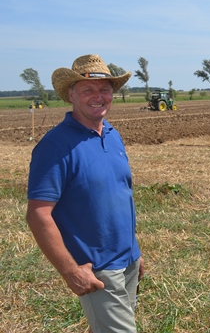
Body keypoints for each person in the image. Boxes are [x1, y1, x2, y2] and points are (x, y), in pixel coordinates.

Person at [26, 54, 144, 332]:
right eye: (88, 89)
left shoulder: (112, 135)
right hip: (97, 269)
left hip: (127, 261)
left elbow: (120, 197)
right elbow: (38, 214)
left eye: (105, 89)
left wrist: (135, 253)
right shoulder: (55, 145)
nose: (98, 97)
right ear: (71, 94)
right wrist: (70, 270)